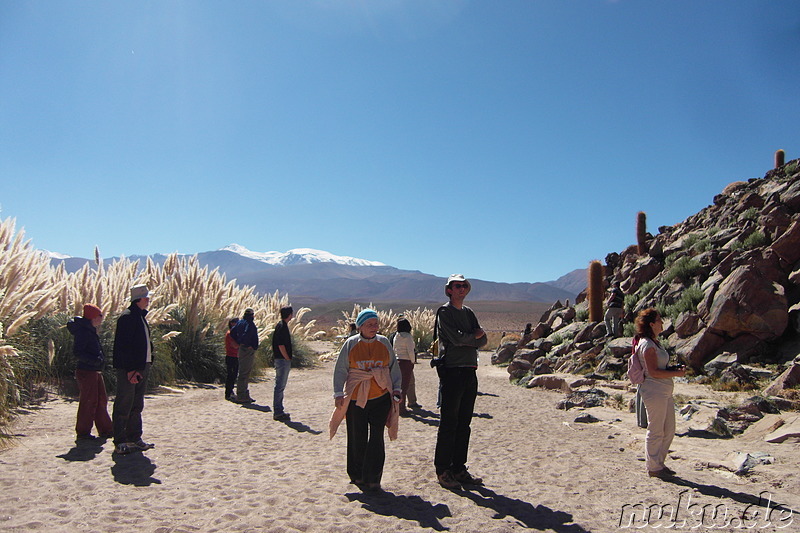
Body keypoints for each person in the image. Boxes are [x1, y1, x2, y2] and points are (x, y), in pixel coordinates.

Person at [330, 309, 402, 492]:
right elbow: (340, 370)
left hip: (380, 397)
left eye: (376, 324)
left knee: (377, 437)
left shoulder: (384, 342)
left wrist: (397, 389)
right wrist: (338, 392)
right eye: (369, 324)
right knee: (357, 435)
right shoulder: (351, 344)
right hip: (356, 398)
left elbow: (393, 367)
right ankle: (357, 475)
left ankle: (374, 478)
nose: (374, 327)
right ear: (360, 326)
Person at [434, 274, 487, 489]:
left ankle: (459, 468)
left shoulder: (469, 313)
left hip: (469, 370)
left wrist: (471, 338)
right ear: (449, 290)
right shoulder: (444, 312)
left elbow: (482, 339)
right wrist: (471, 337)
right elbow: (455, 338)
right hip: (452, 370)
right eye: (457, 286)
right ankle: (443, 469)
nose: (461, 289)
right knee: (449, 422)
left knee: (464, 423)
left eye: (464, 285)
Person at [633, 308, 686, 479]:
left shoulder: (655, 343)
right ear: (651, 324)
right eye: (659, 320)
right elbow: (653, 372)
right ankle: (653, 467)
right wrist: (676, 374)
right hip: (654, 390)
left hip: (664, 390)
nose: (662, 322)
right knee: (656, 429)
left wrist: (672, 369)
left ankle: (659, 463)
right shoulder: (647, 345)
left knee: (669, 429)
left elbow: (660, 368)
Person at [112, 285, 156, 455]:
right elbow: (123, 346)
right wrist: (131, 369)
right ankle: (120, 441)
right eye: (146, 297)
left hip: (142, 365)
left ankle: (134, 438)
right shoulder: (127, 317)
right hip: (130, 368)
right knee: (124, 403)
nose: (148, 300)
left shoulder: (140, 316)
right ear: (138, 299)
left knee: (137, 404)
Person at [67, 303, 113, 441]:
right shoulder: (83, 331)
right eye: (100, 315)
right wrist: (94, 361)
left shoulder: (89, 330)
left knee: (101, 400)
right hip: (87, 371)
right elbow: (78, 352)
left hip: (94, 370)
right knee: (89, 401)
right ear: (93, 317)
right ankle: (83, 432)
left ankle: (106, 429)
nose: (102, 318)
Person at [231, 308, 258, 404]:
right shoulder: (249, 323)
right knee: (244, 372)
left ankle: (245, 395)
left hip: (242, 349)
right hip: (247, 350)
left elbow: (232, 332)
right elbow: (247, 334)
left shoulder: (240, 322)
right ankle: (242, 395)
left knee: (244, 371)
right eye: (252, 315)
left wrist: (238, 342)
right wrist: (248, 344)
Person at [271, 306, 294, 421]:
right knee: (280, 385)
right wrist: (287, 358)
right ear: (289, 314)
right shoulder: (282, 327)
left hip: (281, 359)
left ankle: (279, 410)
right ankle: (278, 412)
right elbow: (280, 345)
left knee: (280, 385)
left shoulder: (281, 325)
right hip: (282, 360)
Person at [393, 317, 418, 414]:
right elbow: (410, 350)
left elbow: (394, 348)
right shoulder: (408, 337)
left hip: (397, 361)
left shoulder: (396, 336)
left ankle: (398, 406)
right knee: (405, 385)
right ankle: (402, 408)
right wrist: (413, 361)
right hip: (406, 362)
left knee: (398, 385)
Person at [224, 317, 239, 402]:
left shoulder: (234, 334)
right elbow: (235, 345)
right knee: (231, 375)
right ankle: (228, 393)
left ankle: (231, 392)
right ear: (231, 323)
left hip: (236, 357)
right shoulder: (230, 334)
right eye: (235, 322)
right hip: (231, 357)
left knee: (234, 375)